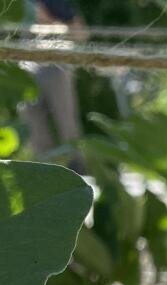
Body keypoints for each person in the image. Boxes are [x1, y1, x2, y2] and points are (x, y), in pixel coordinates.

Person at [17, 0, 87, 168]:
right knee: (32, 123)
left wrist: (48, 21)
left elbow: (81, 33)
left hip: (56, 67)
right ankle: (44, 167)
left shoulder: (54, 2)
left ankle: (77, 167)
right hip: (26, 67)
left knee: (66, 120)